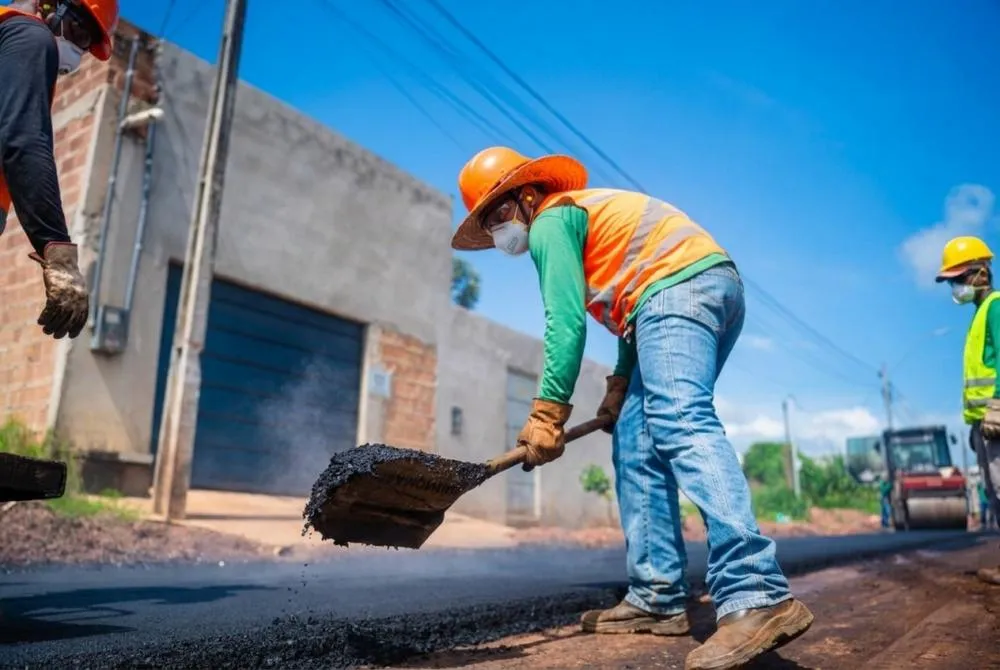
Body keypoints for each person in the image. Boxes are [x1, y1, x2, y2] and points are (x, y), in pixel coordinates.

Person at [453, 147, 814, 670]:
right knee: (637, 441)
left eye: (500, 213)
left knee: (681, 420)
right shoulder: (583, 219)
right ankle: (658, 595)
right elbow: (634, 311)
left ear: (528, 196)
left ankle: (755, 592)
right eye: (488, 223)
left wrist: (548, 414)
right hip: (690, 289)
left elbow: (565, 322)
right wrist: (619, 385)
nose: (498, 230)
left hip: (679, 287)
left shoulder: (552, 219)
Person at [0, 0, 118, 340]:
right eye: (80, 33)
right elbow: (24, 140)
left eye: (87, 45)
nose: (78, 53)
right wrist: (59, 255)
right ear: (48, 5)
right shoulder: (30, 36)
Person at [936, 236, 1000, 583]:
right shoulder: (980, 313)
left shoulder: (996, 307)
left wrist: (998, 405)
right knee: (994, 494)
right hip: (983, 423)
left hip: (995, 418)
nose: (956, 288)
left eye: (959, 279)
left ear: (980, 273)